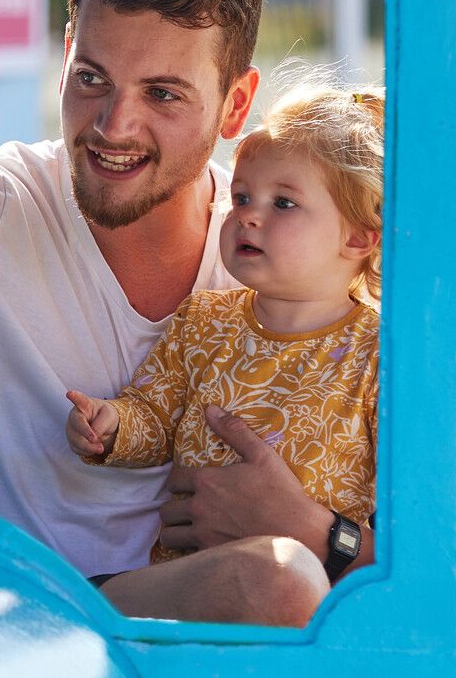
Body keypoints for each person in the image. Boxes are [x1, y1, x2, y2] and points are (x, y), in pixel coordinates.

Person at [0, 0, 456, 678]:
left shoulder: (307, 264)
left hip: (285, 663)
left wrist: (317, 531)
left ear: (235, 106)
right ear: (66, 55)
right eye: (90, 78)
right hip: (58, 636)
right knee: (277, 581)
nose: (114, 124)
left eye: (164, 94)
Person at [66, 81, 384, 573]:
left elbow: (419, 514)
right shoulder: (204, 321)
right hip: (193, 587)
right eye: (241, 197)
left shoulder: (380, 356)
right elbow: (155, 414)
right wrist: (112, 427)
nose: (248, 217)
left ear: (359, 237)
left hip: (323, 606)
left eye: (283, 203)